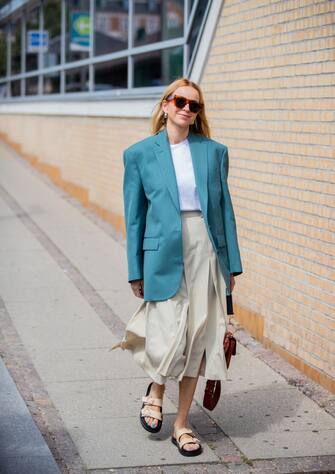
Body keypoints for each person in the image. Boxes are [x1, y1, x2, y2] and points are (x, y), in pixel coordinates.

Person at [111, 77, 243, 456]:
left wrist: (232, 263)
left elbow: (225, 212)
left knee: (198, 339)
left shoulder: (214, 152)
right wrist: (134, 269)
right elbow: (134, 216)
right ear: (166, 104)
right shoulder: (138, 154)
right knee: (169, 333)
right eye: (180, 101)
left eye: (194, 105)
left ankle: (181, 424)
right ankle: (155, 390)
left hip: (206, 248)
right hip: (162, 252)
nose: (187, 109)